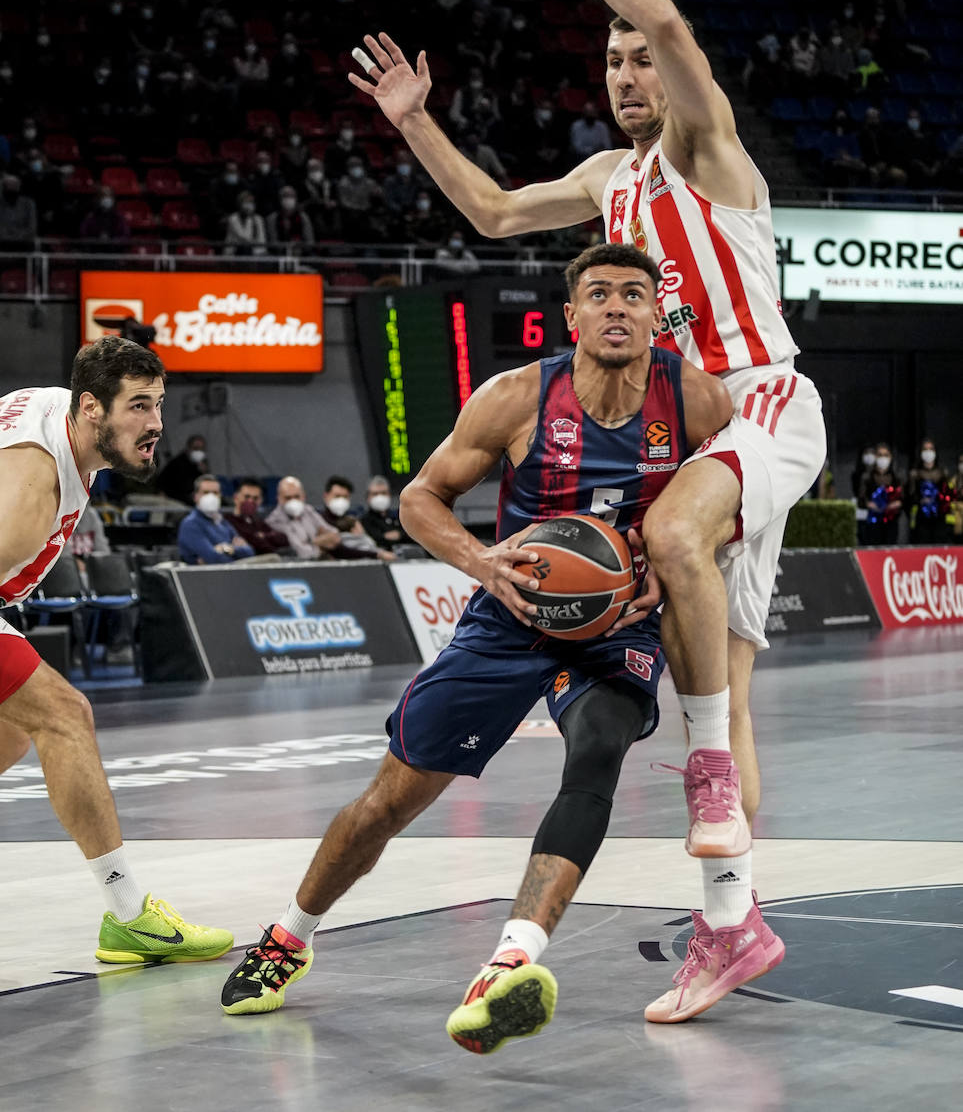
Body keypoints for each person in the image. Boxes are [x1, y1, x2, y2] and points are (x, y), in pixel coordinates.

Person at [345, 0, 826, 1022]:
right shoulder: (609, 181)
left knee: (667, 534)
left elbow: (667, 20)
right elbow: (499, 211)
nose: (626, 71)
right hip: (702, 434)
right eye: (609, 61)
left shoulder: (708, 153)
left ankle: (704, 773)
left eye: (638, 59)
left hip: (758, 399)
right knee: (733, 683)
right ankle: (734, 924)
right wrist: (413, 121)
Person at [219, 245, 744, 1045]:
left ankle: (509, 961)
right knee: (393, 797)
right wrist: (479, 561)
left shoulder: (697, 400)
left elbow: (738, 506)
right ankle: (289, 935)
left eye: (632, 295)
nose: (615, 307)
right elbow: (421, 496)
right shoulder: (516, 396)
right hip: (510, 614)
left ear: (652, 314)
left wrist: (675, 568)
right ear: (571, 316)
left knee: (597, 749)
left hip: (617, 628)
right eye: (597, 294)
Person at [0, 338, 232, 961]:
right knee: (62, 715)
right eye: (138, 406)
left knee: (11, 735)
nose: (156, 424)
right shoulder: (30, 493)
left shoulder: (59, 414)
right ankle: (129, 915)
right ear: (92, 408)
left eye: (158, 404)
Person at [177, 475, 255, 565]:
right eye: (206, 492)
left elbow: (249, 552)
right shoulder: (190, 524)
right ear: (195, 496)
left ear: (220, 496)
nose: (211, 496)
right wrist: (235, 553)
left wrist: (226, 549)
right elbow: (214, 559)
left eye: (215, 493)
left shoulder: (222, 522)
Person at [265, 475, 342, 559]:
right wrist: (321, 542)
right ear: (279, 499)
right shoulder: (274, 521)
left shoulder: (308, 510)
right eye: (288, 498)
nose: (293, 501)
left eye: (296, 496)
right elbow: (301, 552)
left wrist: (311, 542)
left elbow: (335, 535)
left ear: (303, 496)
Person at [225, 477, 290, 556]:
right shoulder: (228, 521)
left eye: (255, 498)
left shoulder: (257, 521)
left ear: (260, 501)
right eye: (247, 497)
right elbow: (259, 547)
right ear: (236, 498)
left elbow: (283, 539)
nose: (250, 501)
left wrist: (264, 536)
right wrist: (262, 538)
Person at [858, 444, 902, 545]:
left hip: (891, 522)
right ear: (876, 457)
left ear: (890, 457)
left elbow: (903, 499)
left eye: (885, 455)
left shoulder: (896, 477)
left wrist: (896, 504)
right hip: (873, 523)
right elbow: (861, 500)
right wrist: (870, 504)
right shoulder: (867, 477)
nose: (883, 458)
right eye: (880, 455)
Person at [906, 440, 948, 545]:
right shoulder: (914, 474)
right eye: (925, 449)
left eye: (931, 449)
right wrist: (920, 501)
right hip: (921, 518)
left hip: (939, 517)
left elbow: (947, 495)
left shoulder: (943, 473)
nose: (928, 452)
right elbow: (909, 497)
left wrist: (938, 500)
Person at [157, 433, 209, 506]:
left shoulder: (201, 464)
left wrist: (204, 472)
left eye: (201, 449)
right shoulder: (177, 463)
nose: (199, 452)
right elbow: (163, 483)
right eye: (196, 448)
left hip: (191, 498)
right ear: (188, 448)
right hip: (175, 498)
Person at [360, 476, 405, 551]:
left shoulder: (400, 516)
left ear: (389, 495)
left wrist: (400, 535)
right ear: (368, 497)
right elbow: (372, 540)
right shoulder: (364, 520)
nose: (380, 497)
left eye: (384, 493)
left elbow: (411, 535)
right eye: (375, 494)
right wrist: (385, 537)